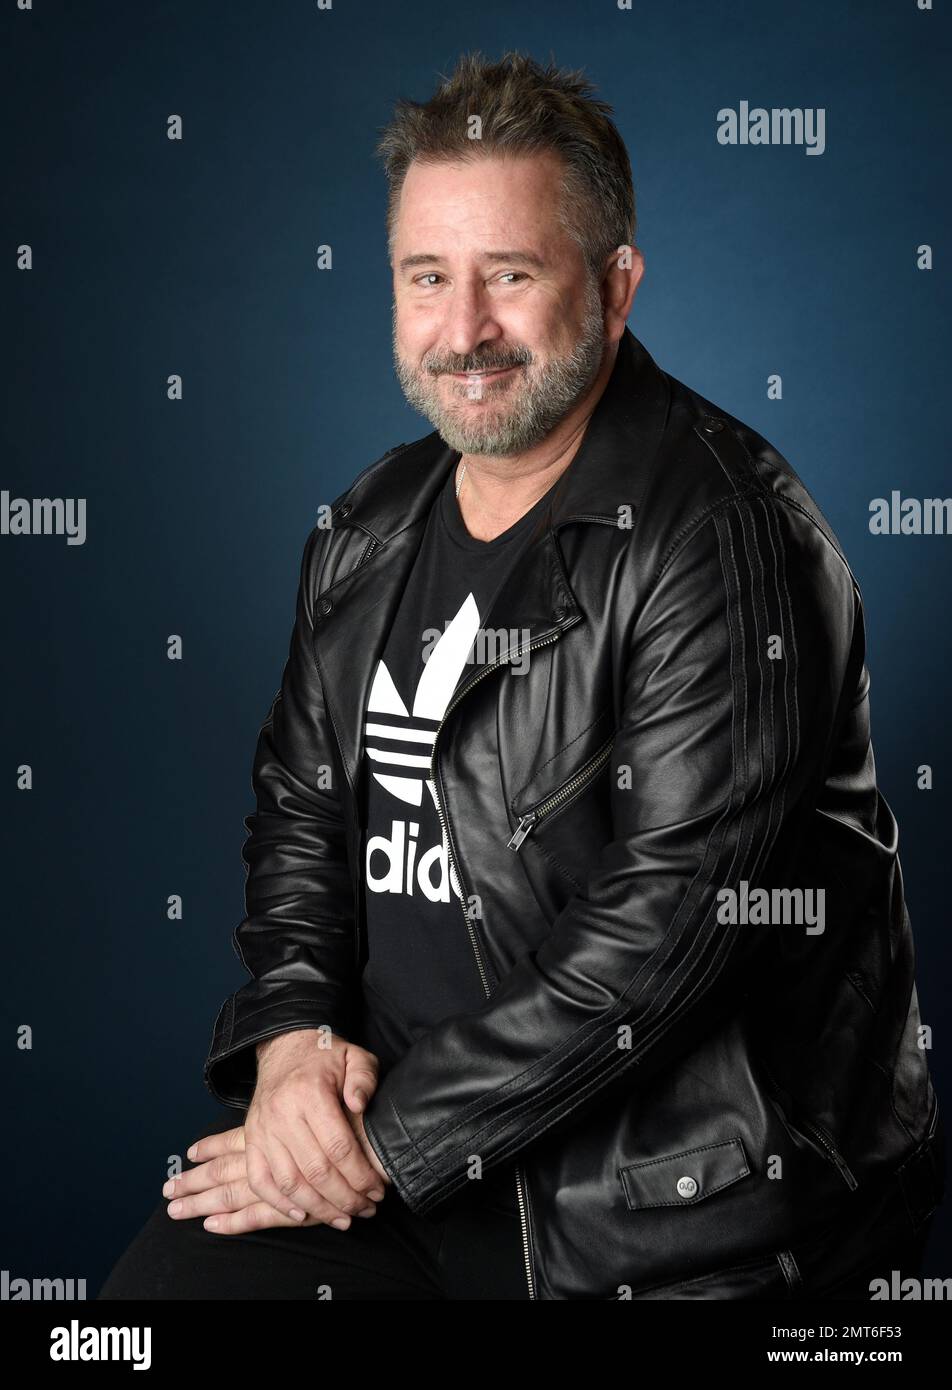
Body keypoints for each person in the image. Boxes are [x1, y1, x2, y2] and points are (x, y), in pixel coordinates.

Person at [99, 49, 945, 1302]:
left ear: (614, 286)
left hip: (658, 1200)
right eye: (426, 278)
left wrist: (375, 1151)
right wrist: (289, 1049)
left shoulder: (726, 540)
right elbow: (299, 815)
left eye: (511, 275)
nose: (463, 331)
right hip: (395, 1145)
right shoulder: (369, 524)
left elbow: (668, 937)